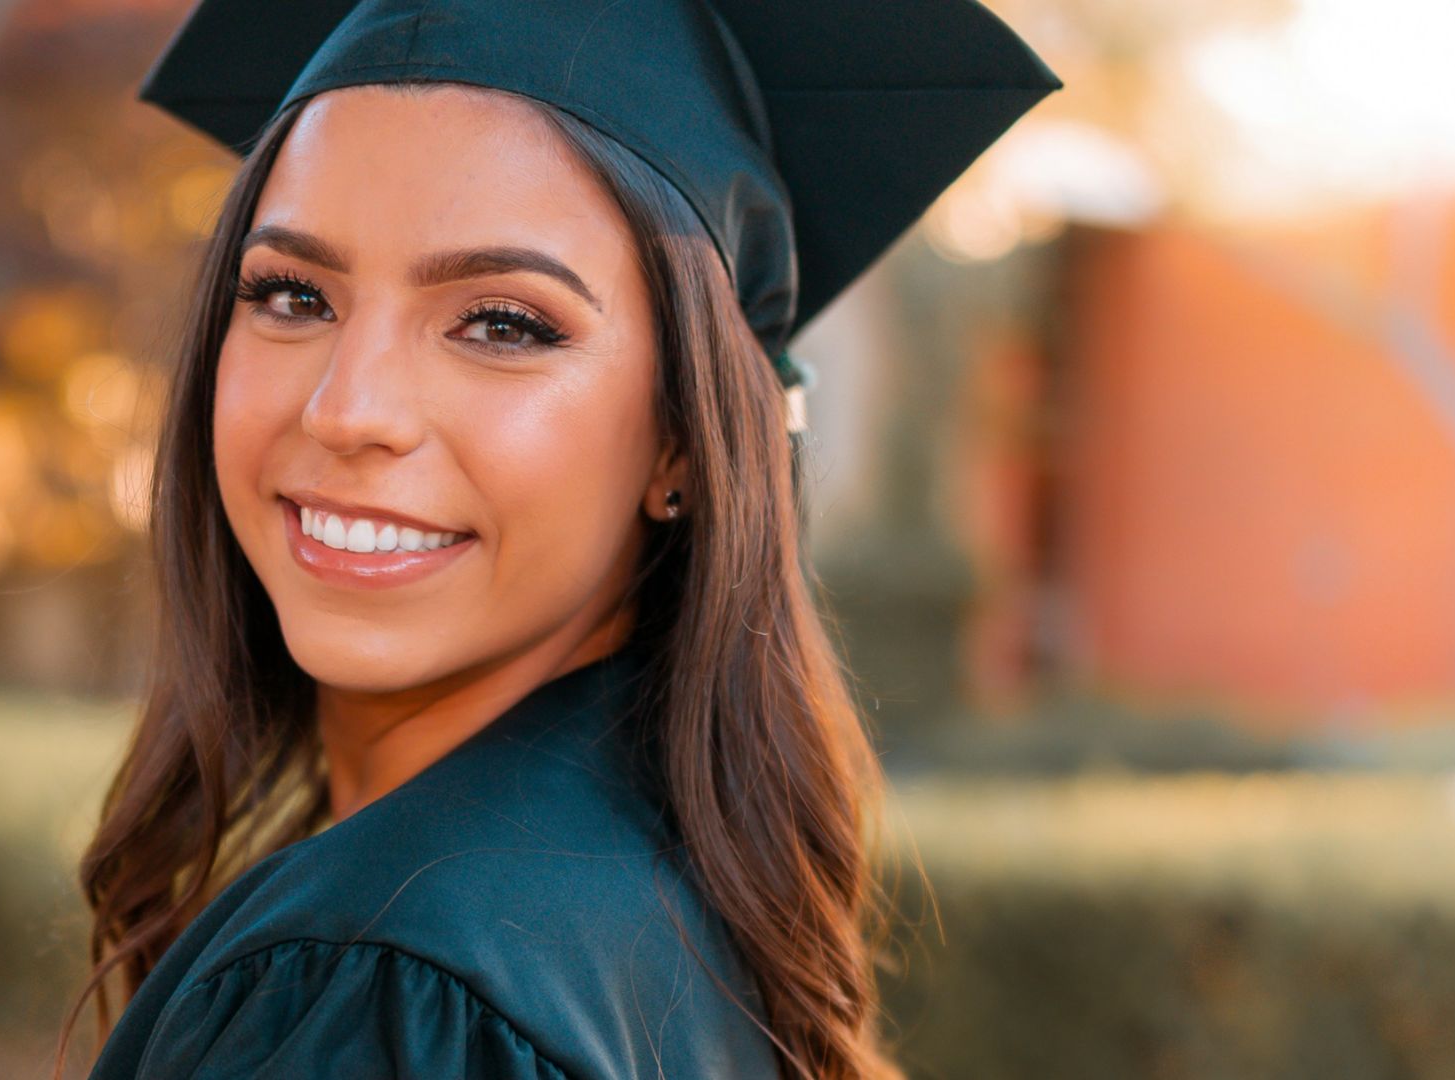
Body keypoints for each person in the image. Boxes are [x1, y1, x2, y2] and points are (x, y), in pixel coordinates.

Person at [55, 2, 1059, 1077]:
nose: (348, 410)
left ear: (683, 440)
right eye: (293, 295)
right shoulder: (669, 910)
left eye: (502, 323)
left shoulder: (388, 984)